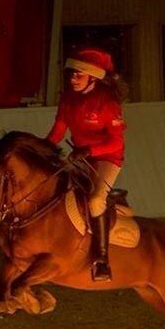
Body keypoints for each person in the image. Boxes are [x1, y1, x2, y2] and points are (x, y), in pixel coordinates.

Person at [45, 47, 126, 281]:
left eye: (79, 74)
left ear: (93, 77)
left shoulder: (107, 102)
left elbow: (116, 141)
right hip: (80, 155)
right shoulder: (67, 97)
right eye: (71, 74)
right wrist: (43, 147)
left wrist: (89, 150)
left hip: (106, 158)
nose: (73, 78)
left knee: (95, 199)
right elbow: (59, 129)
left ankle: (101, 260)